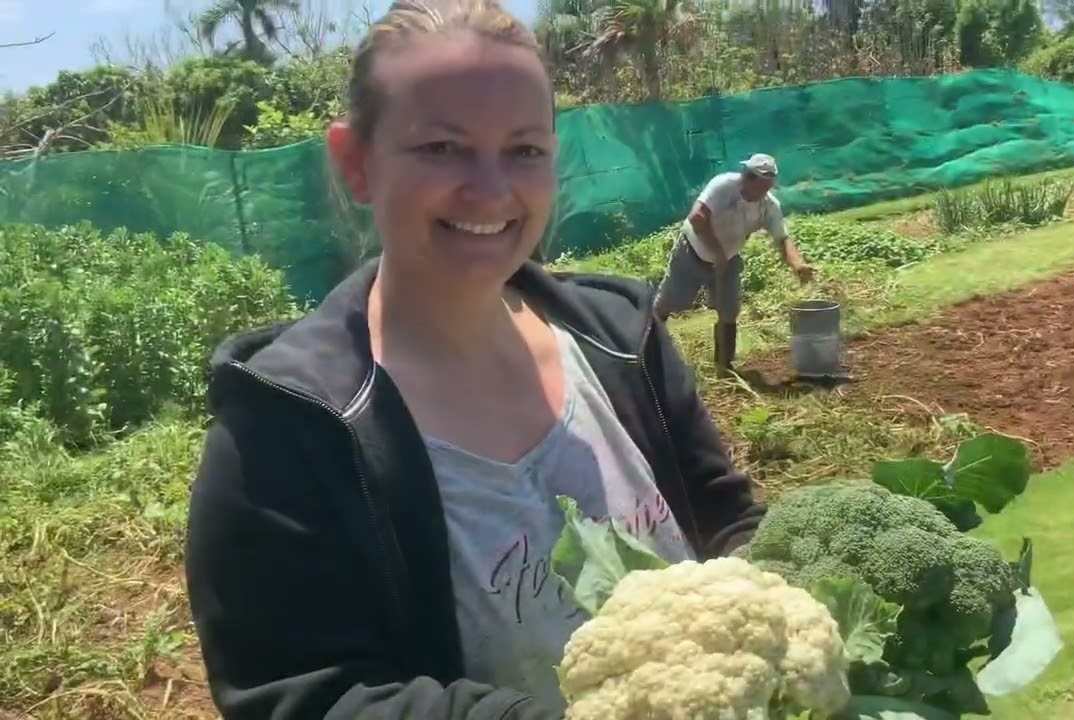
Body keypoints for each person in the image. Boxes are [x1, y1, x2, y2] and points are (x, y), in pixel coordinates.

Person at [182, 1, 765, 719]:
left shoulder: (621, 342)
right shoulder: (286, 435)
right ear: (355, 163)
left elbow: (725, 521)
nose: (490, 192)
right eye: (442, 148)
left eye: (524, 150)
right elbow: (313, 697)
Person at [653, 154, 814, 375]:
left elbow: (782, 238)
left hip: (728, 259)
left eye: (769, 186)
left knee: (729, 310)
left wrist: (798, 264)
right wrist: (717, 252)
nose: (763, 192)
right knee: (667, 304)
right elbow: (697, 217)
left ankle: (724, 367)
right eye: (760, 185)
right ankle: (646, 353)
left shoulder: (768, 205)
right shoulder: (724, 186)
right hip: (692, 252)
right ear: (747, 177)